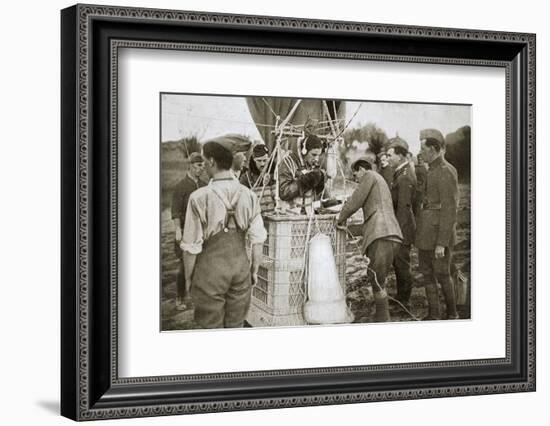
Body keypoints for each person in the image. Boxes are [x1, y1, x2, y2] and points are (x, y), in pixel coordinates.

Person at [180, 141, 267, 329]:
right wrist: (253, 271)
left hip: (210, 275)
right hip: (241, 272)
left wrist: (188, 279)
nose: (203, 166)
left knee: (212, 330)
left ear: (212, 161)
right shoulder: (249, 195)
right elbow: (258, 239)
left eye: (204, 161)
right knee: (235, 328)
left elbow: (191, 246)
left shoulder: (199, 197)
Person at [337, 157, 403, 322]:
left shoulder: (369, 176)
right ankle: (383, 316)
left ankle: (383, 317)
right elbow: (372, 215)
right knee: (378, 276)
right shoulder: (379, 180)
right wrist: (349, 228)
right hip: (391, 233)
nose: (355, 180)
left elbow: (355, 202)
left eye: (355, 175)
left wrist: (339, 217)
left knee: (375, 276)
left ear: (361, 169)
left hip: (382, 234)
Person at [416, 128, 459, 320]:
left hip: (438, 235)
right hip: (426, 233)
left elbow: (449, 210)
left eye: (423, 149)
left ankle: (452, 314)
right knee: (426, 272)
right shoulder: (431, 170)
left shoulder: (445, 171)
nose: (420, 153)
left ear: (433, 149)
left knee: (442, 274)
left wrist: (442, 242)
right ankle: (434, 314)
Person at [170, 152, 207, 309]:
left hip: (202, 232)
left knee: (203, 264)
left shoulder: (205, 185)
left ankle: (199, 297)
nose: (201, 169)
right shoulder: (181, 187)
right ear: (191, 165)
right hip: (186, 231)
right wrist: (178, 229)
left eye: (203, 166)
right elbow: (176, 212)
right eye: (199, 166)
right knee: (184, 266)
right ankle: (180, 298)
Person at [386, 139, 417, 311]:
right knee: (398, 264)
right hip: (401, 226)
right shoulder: (400, 173)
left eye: (390, 155)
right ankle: (400, 298)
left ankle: (405, 301)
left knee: (402, 264)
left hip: (403, 227)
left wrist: (396, 232)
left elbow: (404, 208)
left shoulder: (404, 177)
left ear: (400, 155)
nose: (388, 158)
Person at [277, 134, 327, 214]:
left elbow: (316, 195)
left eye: (318, 155)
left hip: (309, 214)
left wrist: (321, 181)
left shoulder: (313, 165)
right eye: (313, 155)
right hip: (290, 215)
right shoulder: (288, 163)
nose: (316, 159)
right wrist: (302, 182)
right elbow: (283, 192)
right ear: (304, 151)